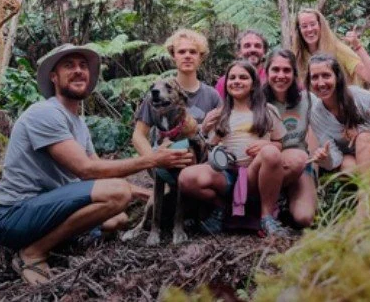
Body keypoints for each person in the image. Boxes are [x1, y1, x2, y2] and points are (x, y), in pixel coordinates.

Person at [0, 44, 193, 285]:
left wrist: (145, 193)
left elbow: (95, 167)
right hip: (13, 217)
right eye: (69, 66)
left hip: (45, 209)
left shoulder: (77, 121)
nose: (78, 70)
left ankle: (59, 242)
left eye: (83, 66)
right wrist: (152, 159)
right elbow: (86, 170)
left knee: (118, 219)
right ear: (54, 77)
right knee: (118, 193)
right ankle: (33, 253)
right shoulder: (43, 113)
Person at [179, 60, 289, 236]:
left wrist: (267, 144)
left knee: (271, 152)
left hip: (254, 174)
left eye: (243, 77)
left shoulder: (267, 111)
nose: (237, 81)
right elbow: (210, 151)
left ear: (253, 84)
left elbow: (279, 144)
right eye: (232, 78)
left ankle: (267, 217)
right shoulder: (219, 114)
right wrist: (205, 129)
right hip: (228, 175)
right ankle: (221, 207)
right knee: (186, 178)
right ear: (226, 83)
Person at [132, 29, 221, 155]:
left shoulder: (212, 95)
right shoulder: (157, 93)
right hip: (165, 162)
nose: (187, 56)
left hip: (199, 164)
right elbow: (138, 135)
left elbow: (223, 131)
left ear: (200, 57)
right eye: (182, 52)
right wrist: (153, 161)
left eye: (193, 52)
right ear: (174, 56)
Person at [306, 53, 370, 174]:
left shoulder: (362, 98)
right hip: (356, 159)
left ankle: (368, 191)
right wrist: (326, 159)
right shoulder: (316, 114)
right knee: (346, 165)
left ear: (337, 77)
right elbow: (335, 158)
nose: (321, 83)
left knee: (362, 139)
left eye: (326, 76)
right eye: (315, 77)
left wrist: (362, 130)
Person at [263, 49, 318, 228]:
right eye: (275, 70)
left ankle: (283, 200)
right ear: (267, 72)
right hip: (268, 165)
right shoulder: (257, 101)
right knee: (287, 158)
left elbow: (316, 138)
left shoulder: (308, 100)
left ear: (295, 74)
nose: (281, 75)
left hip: (301, 164)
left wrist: (315, 172)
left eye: (286, 70)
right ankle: (265, 205)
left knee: (304, 218)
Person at [293, 8, 370, 87]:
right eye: (304, 26)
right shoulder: (297, 56)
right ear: (299, 30)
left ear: (320, 25)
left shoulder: (338, 50)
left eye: (313, 24)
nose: (309, 29)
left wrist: (358, 46)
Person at [214, 29, 269, 98]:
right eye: (247, 46)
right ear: (239, 52)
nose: (252, 49)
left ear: (264, 51)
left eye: (257, 46)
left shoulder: (271, 79)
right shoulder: (225, 82)